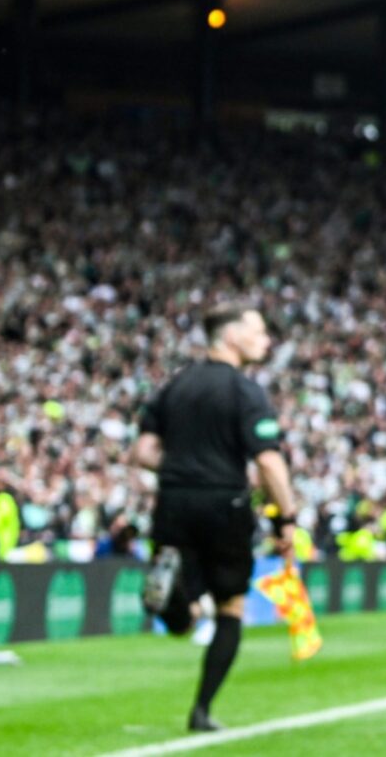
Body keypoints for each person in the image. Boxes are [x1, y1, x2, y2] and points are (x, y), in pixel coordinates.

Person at [131, 305, 302, 734]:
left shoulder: (175, 386)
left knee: (182, 597)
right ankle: (201, 710)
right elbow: (269, 464)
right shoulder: (246, 392)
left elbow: (143, 453)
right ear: (231, 336)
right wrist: (287, 520)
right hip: (225, 502)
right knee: (232, 605)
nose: (266, 340)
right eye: (259, 331)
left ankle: (179, 612)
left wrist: (184, 467)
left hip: (172, 499)